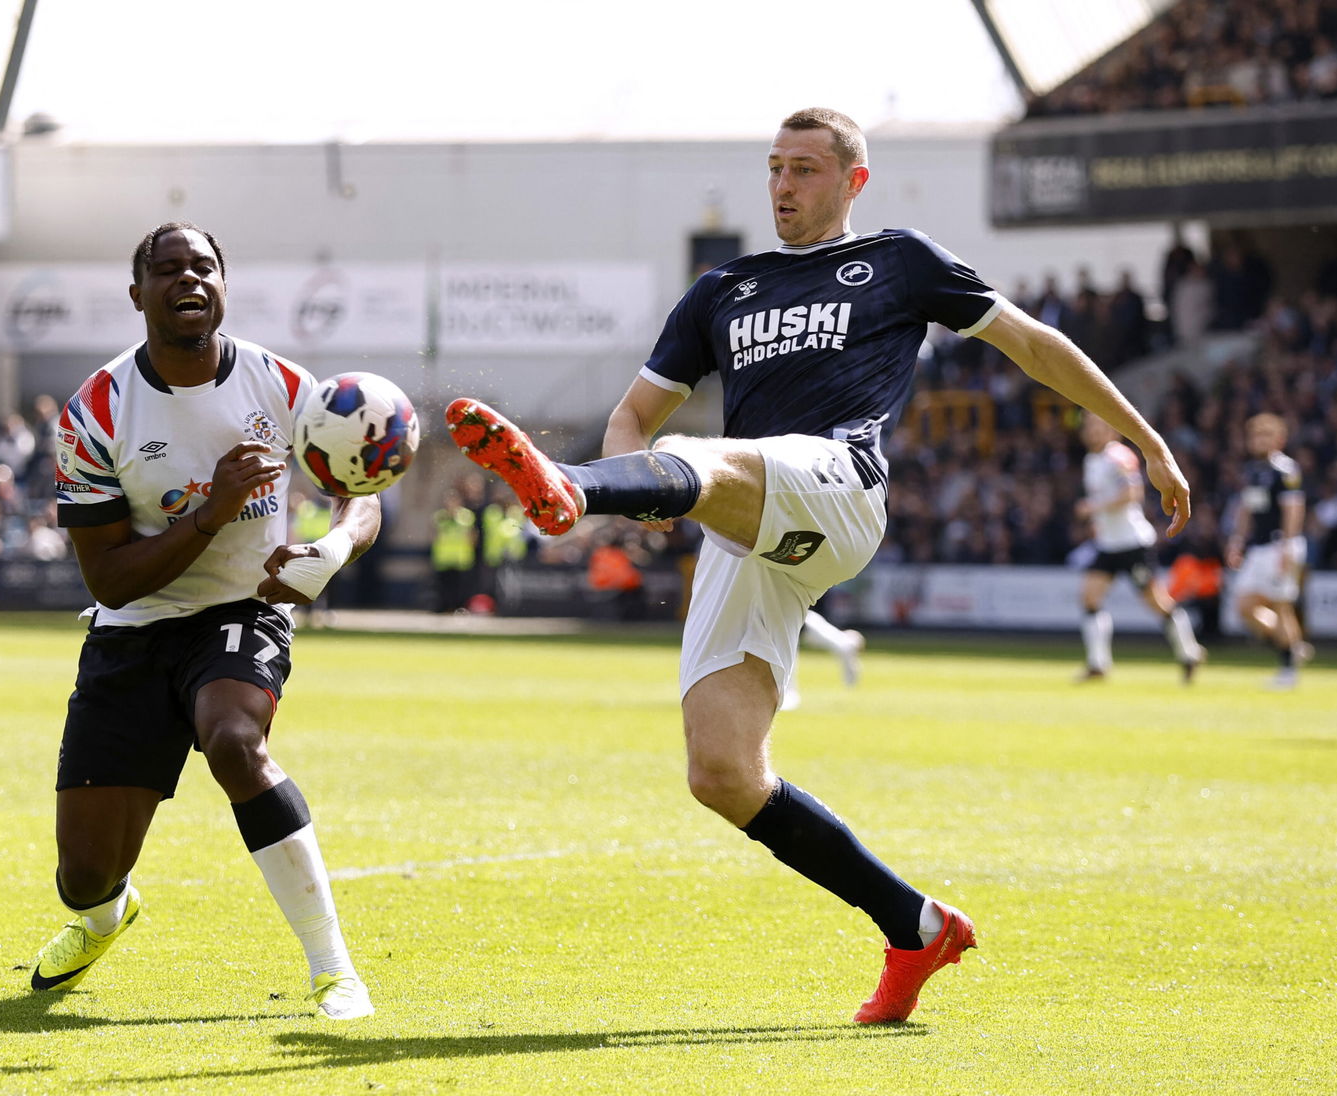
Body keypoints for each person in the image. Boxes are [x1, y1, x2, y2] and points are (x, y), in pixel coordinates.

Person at [445, 107, 1191, 1024]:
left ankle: (568, 490)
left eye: (803, 168)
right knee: (721, 773)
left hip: (838, 487)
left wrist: (1145, 439)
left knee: (714, 456)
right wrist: (633, 485)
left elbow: (1033, 345)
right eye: (774, 168)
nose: (784, 186)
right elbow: (635, 416)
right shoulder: (722, 288)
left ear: (852, 180)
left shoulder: (899, 262)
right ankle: (916, 926)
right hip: (744, 522)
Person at [32, 222, 381, 1019]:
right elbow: (110, 581)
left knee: (236, 743)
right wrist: (214, 514)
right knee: (82, 876)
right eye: (168, 270)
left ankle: (335, 970)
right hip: (132, 628)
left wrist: (333, 548)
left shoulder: (282, 384)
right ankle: (108, 915)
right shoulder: (94, 413)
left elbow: (361, 489)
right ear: (137, 295)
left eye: (204, 267)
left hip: (241, 613)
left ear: (224, 284)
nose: (188, 279)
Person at [1074, 412, 1204, 683]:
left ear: (1112, 430)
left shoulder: (1118, 456)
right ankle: (1098, 663)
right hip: (1108, 544)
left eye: (1098, 426)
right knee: (1089, 598)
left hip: (1132, 543)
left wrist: (1094, 507)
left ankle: (1189, 652)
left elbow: (1133, 494)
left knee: (1156, 602)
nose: (1092, 432)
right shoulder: (1091, 460)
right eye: (1089, 427)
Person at [1226, 413, 1309, 689]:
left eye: (1266, 435)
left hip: (1279, 545)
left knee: (1281, 606)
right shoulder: (1252, 471)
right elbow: (1247, 509)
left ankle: (1288, 670)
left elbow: (1293, 509)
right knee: (1244, 606)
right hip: (1259, 548)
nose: (1259, 441)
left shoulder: (1286, 471)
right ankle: (1292, 645)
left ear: (1279, 439)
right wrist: (1237, 540)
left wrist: (1287, 545)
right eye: (1255, 436)